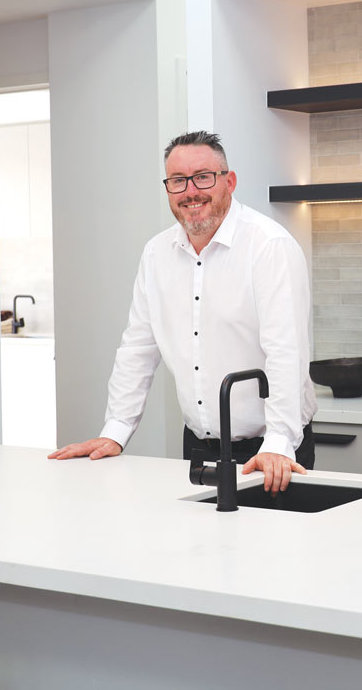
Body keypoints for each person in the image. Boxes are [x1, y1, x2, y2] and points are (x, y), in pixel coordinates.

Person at [48, 131, 317, 494]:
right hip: (197, 448)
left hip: (270, 451)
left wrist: (279, 442)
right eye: (178, 180)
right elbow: (138, 349)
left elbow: (286, 352)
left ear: (229, 182)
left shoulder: (269, 246)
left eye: (203, 177)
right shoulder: (156, 254)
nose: (191, 191)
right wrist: (116, 431)